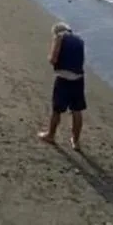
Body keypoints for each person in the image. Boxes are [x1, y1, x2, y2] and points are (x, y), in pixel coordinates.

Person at [38, 22, 86, 150]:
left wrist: (50, 58)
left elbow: (53, 59)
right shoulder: (79, 41)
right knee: (77, 110)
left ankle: (51, 135)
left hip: (64, 78)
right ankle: (76, 141)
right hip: (78, 79)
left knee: (57, 109)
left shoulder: (59, 37)